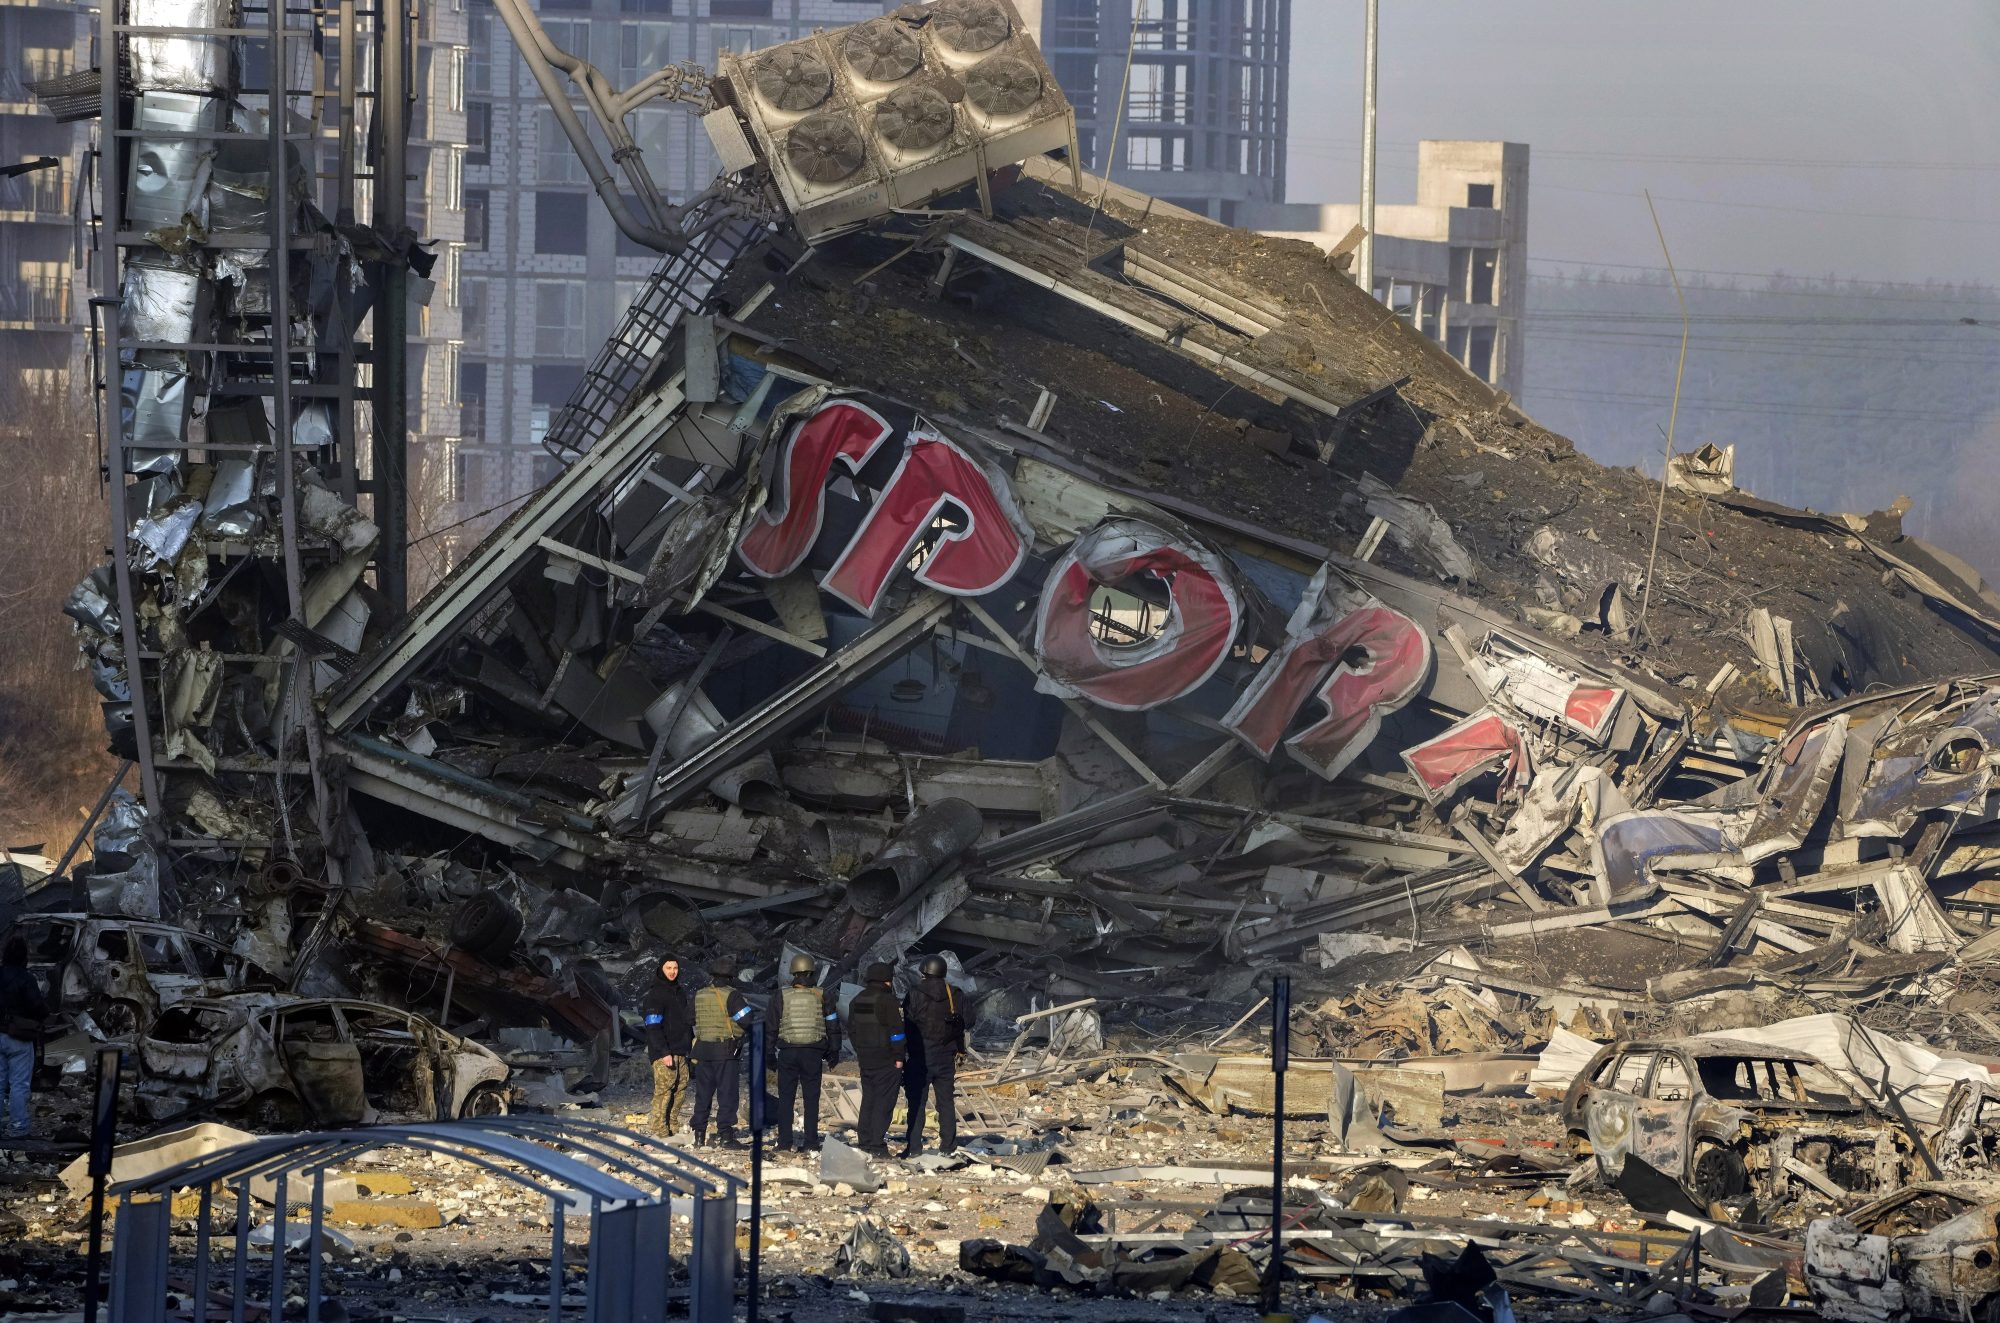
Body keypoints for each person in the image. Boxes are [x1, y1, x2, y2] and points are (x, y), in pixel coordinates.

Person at [766, 952, 841, 1152]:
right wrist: (834, 1051)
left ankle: (784, 1142)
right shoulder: (823, 994)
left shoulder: (780, 995)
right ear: (811, 971)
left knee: (786, 1099)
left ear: (793, 972)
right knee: (811, 1099)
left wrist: (769, 1054)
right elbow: (833, 1024)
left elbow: (771, 1027)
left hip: (788, 1052)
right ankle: (811, 1142)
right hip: (812, 1053)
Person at [900, 954, 966, 1158]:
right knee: (946, 1102)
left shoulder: (915, 993)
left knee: (917, 1103)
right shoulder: (954, 993)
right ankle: (948, 1146)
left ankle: (914, 1148)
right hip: (946, 1055)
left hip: (920, 1056)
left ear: (923, 971)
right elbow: (968, 1020)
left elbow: (908, 1025)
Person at [689, 957, 753, 1148]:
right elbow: (747, 1019)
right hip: (725, 1051)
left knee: (703, 1095)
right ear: (731, 977)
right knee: (727, 1095)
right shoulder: (732, 996)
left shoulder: (699, 994)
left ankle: (699, 1136)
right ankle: (726, 1136)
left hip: (701, 1051)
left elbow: (688, 1018)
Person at [844, 961, 905, 1155]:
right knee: (884, 1102)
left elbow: (852, 1030)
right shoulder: (887, 1001)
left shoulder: (858, 1000)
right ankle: (877, 1145)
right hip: (886, 1058)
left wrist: (860, 1049)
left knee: (869, 1100)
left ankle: (864, 1141)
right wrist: (899, 1056)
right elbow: (897, 1032)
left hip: (865, 1057)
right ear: (887, 981)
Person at [640, 953, 693, 1138]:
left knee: (680, 1089)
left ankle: (672, 1124)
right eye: (668, 968)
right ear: (661, 969)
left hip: (680, 1050)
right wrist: (664, 1052)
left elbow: (686, 1022)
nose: (672, 972)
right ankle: (658, 1128)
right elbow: (652, 1026)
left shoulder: (680, 992)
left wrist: (690, 1048)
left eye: (675, 968)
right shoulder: (655, 994)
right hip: (664, 1052)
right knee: (664, 1090)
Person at [0, 937, 47, 1140]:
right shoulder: (26, 978)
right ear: (24, 957)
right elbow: (37, 1007)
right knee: (19, 1084)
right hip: (19, 1037)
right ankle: (18, 1128)